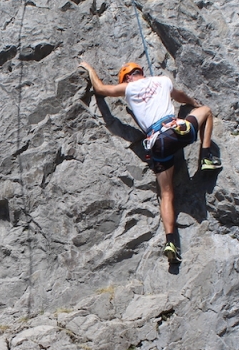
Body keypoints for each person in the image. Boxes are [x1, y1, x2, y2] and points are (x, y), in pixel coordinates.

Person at [78, 60, 221, 264]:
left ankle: (170, 242)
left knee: (166, 194)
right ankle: (206, 156)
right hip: (176, 131)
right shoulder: (163, 80)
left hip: (157, 144)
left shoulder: (129, 88)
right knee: (205, 111)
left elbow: (100, 89)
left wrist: (89, 68)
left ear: (127, 77)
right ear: (138, 72)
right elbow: (180, 96)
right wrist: (193, 103)